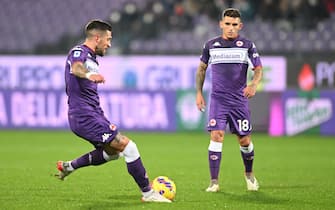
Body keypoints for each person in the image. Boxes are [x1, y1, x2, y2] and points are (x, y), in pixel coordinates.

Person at [55, 19, 171, 203]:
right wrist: (89, 74)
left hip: (93, 113)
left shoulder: (92, 58)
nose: (109, 44)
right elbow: (77, 68)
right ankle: (148, 194)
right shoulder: (78, 52)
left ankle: (70, 166)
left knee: (113, 152)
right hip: (83, 115)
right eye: (108, 39)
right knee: (129, 147)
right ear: (97, 37)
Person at [195, 8, 262, 192]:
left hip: (239, 100)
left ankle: (249, 174)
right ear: (221, 24)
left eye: (234, 25)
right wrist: (199, 93)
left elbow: (258, 69)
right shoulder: (210, 45)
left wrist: (254, 85)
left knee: (244, 141)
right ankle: (214, 182)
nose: (230, 28)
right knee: (216, 135)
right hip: (218, 99)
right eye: (227, 24)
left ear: (240, 26)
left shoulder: (247, 45)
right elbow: (201, 69)